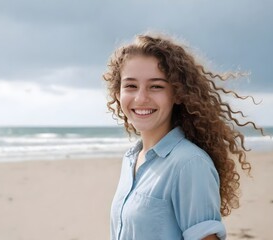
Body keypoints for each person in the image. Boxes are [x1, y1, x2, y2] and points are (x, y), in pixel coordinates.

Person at [103, 33, 262, 240]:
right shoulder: (131, 159)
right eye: (131, 86)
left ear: (178, 94)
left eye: (156, 86)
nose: (141, 98)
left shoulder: (189, 164)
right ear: (118, 93)